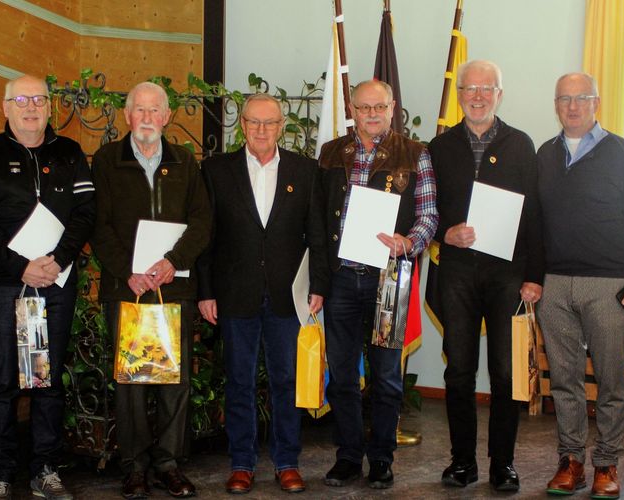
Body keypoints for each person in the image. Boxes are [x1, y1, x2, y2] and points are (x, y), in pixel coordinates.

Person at [0, 74, 96, 500]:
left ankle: (46, 469)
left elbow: (85, 212)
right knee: (3, 379)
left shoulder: (70, 152)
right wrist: (21, 267)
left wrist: (57, 261)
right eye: (21, 99)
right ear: (5, 107)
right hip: (6, 285)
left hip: (56, 283)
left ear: (50, 107)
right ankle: (0, 473)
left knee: (48, 379)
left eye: (39, 98)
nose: (31, 106)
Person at [197, 93, 330, 495]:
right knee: (238, 380)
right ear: (242, 125)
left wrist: (319, 286)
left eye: (269, 122)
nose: (260, 129)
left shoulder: (305, 171)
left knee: (286, 380)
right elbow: (206, 237)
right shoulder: (216, 170)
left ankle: (287, 462)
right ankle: (242, 463)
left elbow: (318, 235)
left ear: (281, 126)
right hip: (234, 294)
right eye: (253, 122)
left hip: (289, 295)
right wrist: (206, 292)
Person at [537, 72, 624, 499]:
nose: (573, 106)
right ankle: (571, 462)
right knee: (564, 382)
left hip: (609, 285)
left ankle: (607, 463)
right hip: (554, 286)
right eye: (565, 99)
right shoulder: (545, 155)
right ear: (556, 105)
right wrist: (534, 279)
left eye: (582, 98)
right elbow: (534, 224)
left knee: (611, 382)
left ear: (597, 102)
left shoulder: (623, 153)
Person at [427, 60, 544, 492]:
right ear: (459, 95)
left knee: (505, 373)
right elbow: (426, 210)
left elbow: (534, 215)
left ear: (499, 94)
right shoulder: (439, 146)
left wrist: (535, 276)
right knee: (458, 371)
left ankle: (503, 464)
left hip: (508, 275)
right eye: (469, 89)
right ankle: (462, 462)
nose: (477, 96)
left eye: (486, 89)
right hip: (456, 271)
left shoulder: (521, 144)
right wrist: (444, 231)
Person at [91, 81, 211, 499]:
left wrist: (172, 262)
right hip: (127, 290)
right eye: (138, 110)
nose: (146, 118)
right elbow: (98, 225)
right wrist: (129, 271)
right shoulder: (107, 160)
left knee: (174, 381)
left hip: (173, 288)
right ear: (127, 116)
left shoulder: (184, 162)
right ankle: (135, 465)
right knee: (131, 383)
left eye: (154, 110)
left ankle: (168, 463)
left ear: (166, 116)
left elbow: (202, 222)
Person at [318, 79, 438, 490]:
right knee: (343, 375)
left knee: (387, 376)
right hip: (340, 281)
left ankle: (382, 458)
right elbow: (317, 219)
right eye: (364, 107)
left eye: (380, 107)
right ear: (352, 110)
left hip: (389, 279)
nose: (371, 114)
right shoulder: (331, 153)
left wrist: (410, 242)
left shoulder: (415, 154)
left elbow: (428, 216)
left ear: (392, 110)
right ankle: (349, 456)